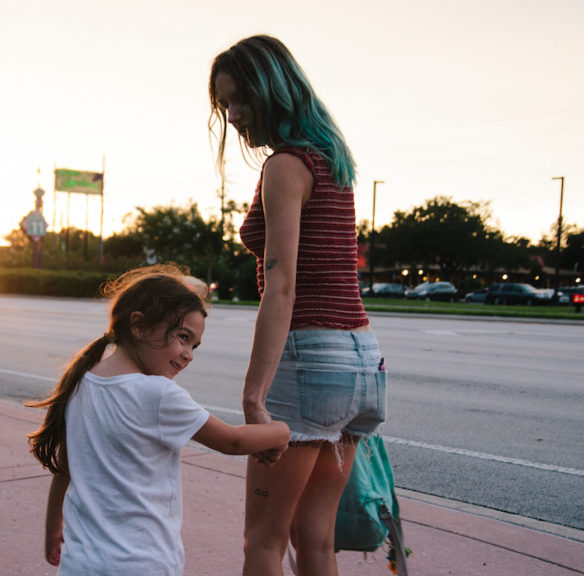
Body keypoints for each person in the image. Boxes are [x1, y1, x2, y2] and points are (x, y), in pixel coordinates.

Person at [208, 35, 387, 576]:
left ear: (273, 90)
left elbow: (281, 283)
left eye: (241, 98)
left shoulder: (286, 165)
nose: (234, 115)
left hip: (311, 357)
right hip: (362, 362)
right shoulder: (334, 159)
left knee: (262, 541)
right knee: (316, 539)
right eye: (224, 104)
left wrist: (253, 395)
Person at [27, 264, 290, 576]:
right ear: (138, 326)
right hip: (142, 562)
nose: (189, 353)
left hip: (82, 561)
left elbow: (65, 468)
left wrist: (53, 527)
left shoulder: (81, 383)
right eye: (182, 337)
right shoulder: (157, 393)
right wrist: (280, 432)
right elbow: (231, 441)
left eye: (194, 345)